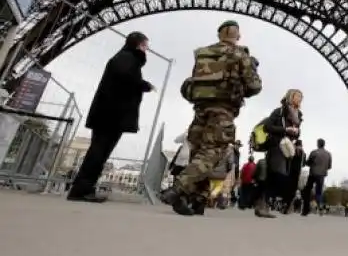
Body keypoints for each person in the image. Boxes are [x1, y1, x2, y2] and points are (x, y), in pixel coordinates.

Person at [161, 21, 261, 215]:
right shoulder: (241, 54)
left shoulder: (202, 53)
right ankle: (179, 189)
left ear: (219, 35)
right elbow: (254, 86)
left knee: (199, 152)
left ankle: (197, 199)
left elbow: (196, 81)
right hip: (223, 110)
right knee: (212, 153)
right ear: (237, 36)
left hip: (200, 108)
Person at [67, 32, 154, 203]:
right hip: (111, 115)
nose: (147, 50)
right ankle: (82, 190)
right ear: (138, 45)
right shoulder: (128, 58)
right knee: (99, 152)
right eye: (145, 46)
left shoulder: (125, 57)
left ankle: (83, 189)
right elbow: (126, 79)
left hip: (108, 114)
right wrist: (144, 85)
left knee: (99, 152)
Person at [252, 89, 303, 218]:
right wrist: (285, 129)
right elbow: (267, 127)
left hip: (287, 148)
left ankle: (262, 203)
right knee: (276, 175)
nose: (299, 99)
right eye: (297, 96)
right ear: (290, 97)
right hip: (276, 145)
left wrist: (296, 134)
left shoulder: (299, 114)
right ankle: (263, 204)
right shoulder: (279, 112)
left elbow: (298, 132)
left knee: (277, 176)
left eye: (301, 97)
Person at [302, 138, 332, 216]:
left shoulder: (314, 152)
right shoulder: (328, 154)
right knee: (319, 192)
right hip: (322, 175)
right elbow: (329, 166)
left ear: (318, 144)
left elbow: (308, 163)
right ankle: (321, 207)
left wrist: (308, 163)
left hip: (313, 174)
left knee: (307, 191)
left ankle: (306, 210)